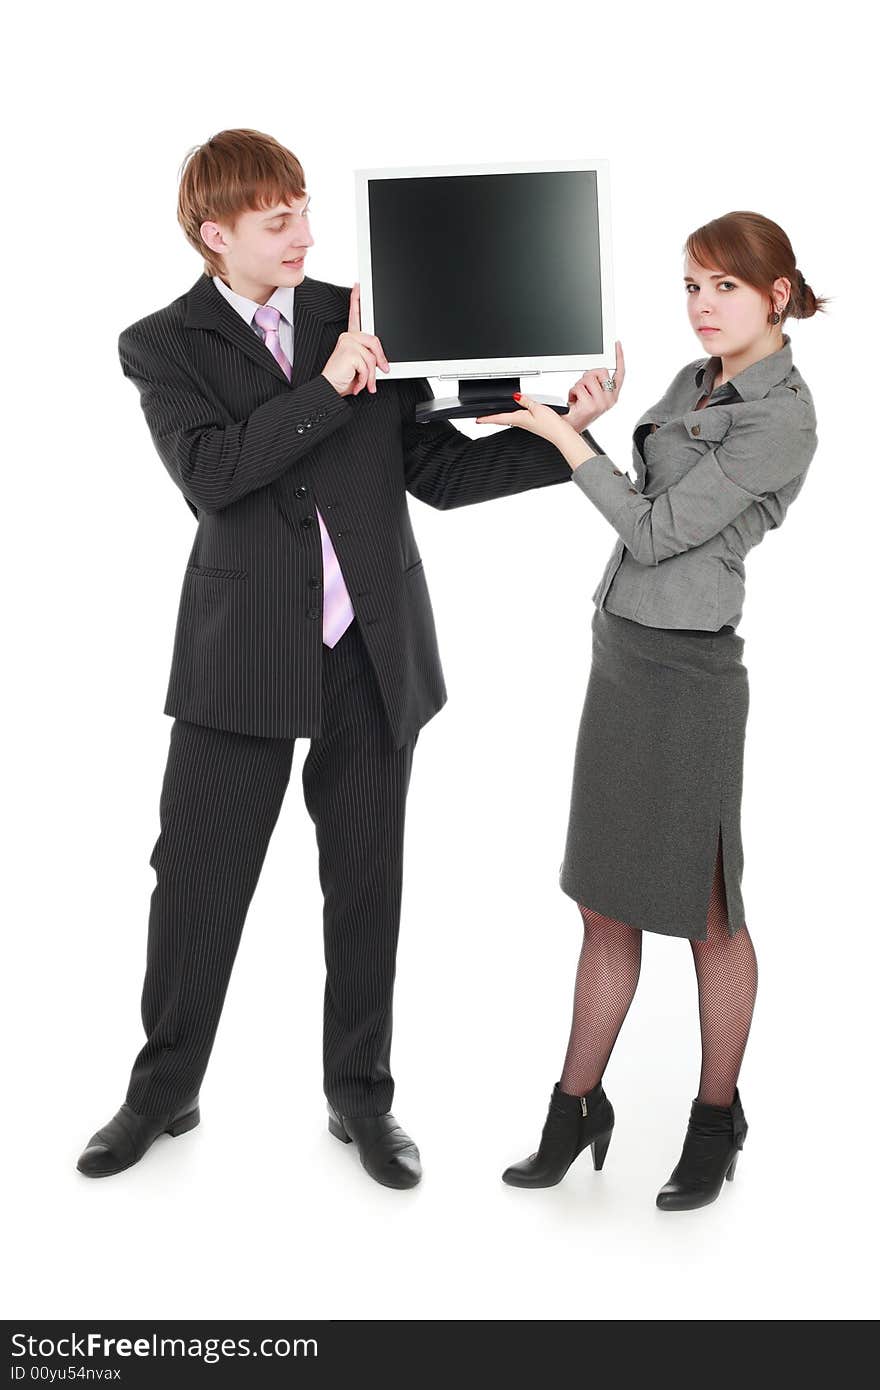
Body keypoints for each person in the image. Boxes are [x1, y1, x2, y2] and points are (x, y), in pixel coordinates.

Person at [75, 128, 600, 1187]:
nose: (306, 236)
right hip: (242, 659)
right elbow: (215, 474)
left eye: (306, 210)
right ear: (216, 234)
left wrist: (560, 440)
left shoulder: (360, 311)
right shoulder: (161, 344)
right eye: (279, 222)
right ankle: (161, 1089)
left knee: (366, 884)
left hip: (371, 648)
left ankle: (360, 1096)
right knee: (195, 883)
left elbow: (434, 473)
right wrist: (324, 388)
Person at [476, 211, 824, 1210]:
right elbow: (645, 505)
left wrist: (559, 434)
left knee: (707, 913)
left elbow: (660, 527)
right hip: (623, 648)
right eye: (691, 285)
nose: (701, 306)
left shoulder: (782, 416)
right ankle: (575, 1106)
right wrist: (585, 424)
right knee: (601, 896)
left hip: (689, 674)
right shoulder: (694, 380)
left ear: (778, 294)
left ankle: (715, 1118)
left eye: (723, 286)